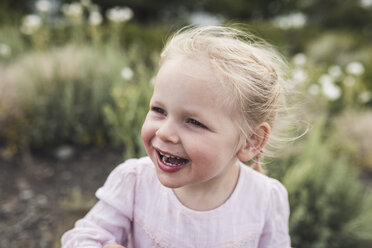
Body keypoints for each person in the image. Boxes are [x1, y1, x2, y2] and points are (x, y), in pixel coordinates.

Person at [61, 25, 292, 248]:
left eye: (193, 122)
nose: (164, 132)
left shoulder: (266, 199)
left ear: (251, 141)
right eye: (159, 111)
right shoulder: (135, 181)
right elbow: (81, 237)